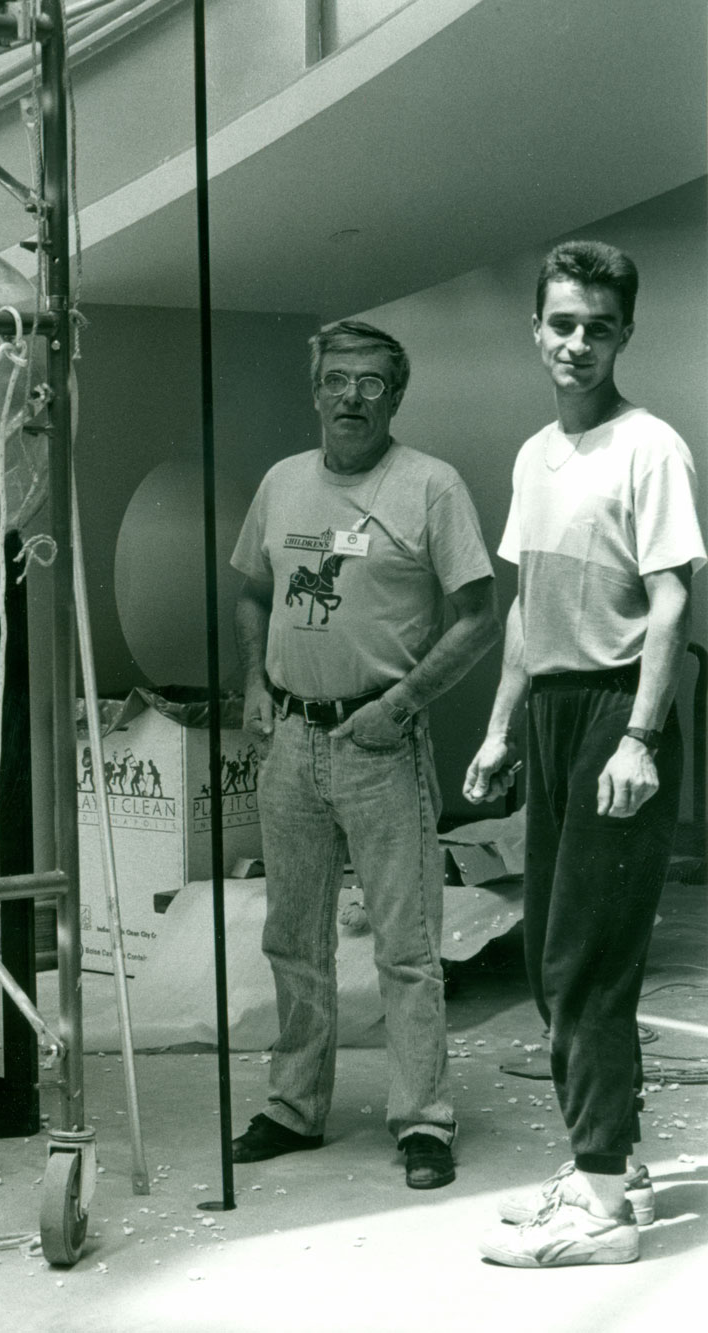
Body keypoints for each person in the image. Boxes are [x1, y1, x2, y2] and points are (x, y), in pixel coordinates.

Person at [465, 240, 705, 1265]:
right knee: (545, 957)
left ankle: (602, 1211)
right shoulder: (534, 456)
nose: (574, 342)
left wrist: (642, 738)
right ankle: (610, 1157)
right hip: (554, 715)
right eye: (559, 323)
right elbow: (525, 606)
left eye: (595, 327)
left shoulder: (649, 447)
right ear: (535, 328)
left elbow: (670, 600)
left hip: (618, 715)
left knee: (590, 960)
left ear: (623, 335)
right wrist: (495, 729)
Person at [230, 319, 498, 1189]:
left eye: (371, 383)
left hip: (379, 742)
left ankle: (422, 1117)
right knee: (292, 937)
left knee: (406, 943)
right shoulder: (281, 483)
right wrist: (255, 688)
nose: (351, 396)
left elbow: (477, 616)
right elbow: (251, 595)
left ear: (396, 396)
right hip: (291, 741)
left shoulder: (432, 486)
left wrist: (402, 704)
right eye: (337, 380)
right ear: (315, 391)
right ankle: (295, 1104)